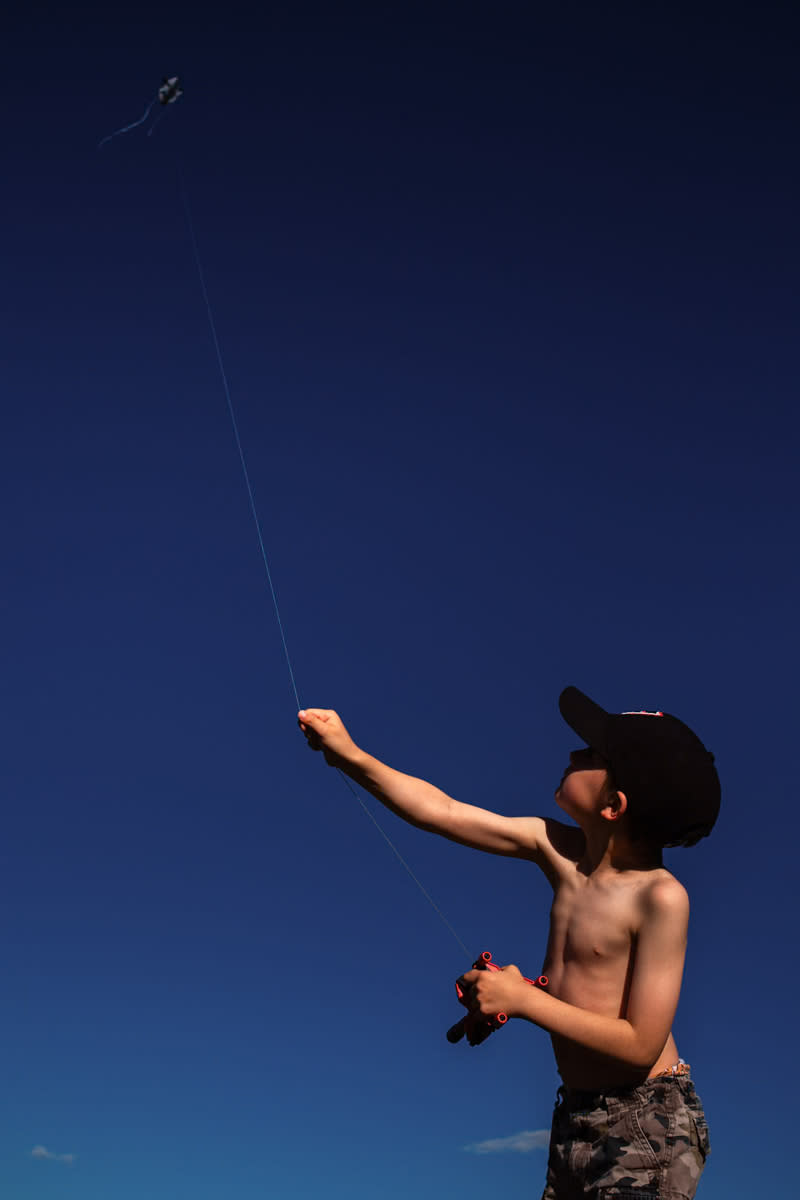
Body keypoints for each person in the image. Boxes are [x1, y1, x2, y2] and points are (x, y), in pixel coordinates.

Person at [298, 686, 719, 1199]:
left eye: (592, 755)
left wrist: (524, 999)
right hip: (576, 1115)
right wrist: (350, 755)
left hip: (646, 1117)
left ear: (614, 804)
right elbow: (442, 811)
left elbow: (639, 1046)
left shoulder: (661, 897)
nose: (572, 754)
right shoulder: (553, 848)